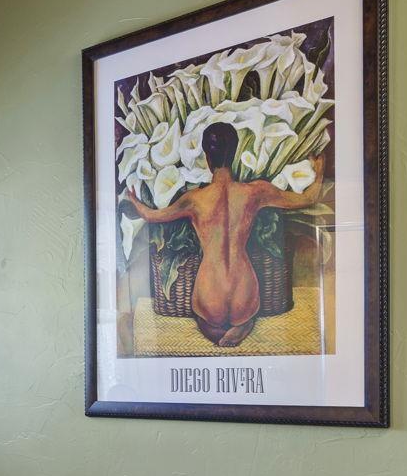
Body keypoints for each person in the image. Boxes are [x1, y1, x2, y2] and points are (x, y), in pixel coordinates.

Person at [123, 122, 327, 347]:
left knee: (205, 322)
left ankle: (214, 330)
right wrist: (318, 173)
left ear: (208, 159)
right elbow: (308, 198)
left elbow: (152, 216)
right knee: (247, 318)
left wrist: (134, 199)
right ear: (235, 153)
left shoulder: (194, 199)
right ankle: (243, 326)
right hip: (244, 292)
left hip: (209, 293)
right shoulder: (255, 192)